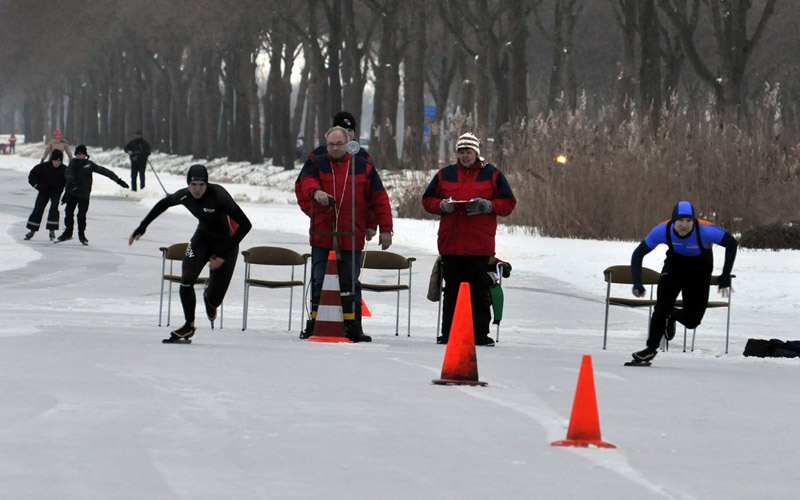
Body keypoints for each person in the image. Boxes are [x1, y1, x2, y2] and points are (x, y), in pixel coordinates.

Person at [129, 164, 252, 342]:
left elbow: (245, 225)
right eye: (193, 185)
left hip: (226, 243)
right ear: (188, 184)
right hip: (201, 239)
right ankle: (189, 325)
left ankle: (209, 298)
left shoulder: (219, 196)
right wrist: (143, 226)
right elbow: (163, 204)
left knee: (215, 300)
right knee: (186, 279)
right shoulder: (185, 195)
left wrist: (223, 255)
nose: (197, 189)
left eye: (201, 185)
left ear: (206, 185)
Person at [295, 126, 393, 342]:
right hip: (323, 233)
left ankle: (353, 325)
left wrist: (384, 228)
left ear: (348, 143)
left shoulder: (363, 166)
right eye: (331, 144)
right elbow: (305, 184)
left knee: (350, 281)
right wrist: (316, 193)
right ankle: (315, 323)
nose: (335, 148)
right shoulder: (316, 163)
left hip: (352, 233)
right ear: (326, 144)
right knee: (319, 279)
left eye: (340, 144)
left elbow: (378, 198)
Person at [422, 132, 517, 347]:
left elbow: (509, 203)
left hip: (479, 244)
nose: (465, 156)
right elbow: (427, 200)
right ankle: (449, 333)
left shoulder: (492, 174)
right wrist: (442, 206)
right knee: (452, 290)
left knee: (479, 290)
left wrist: (489, 205)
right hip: (451, 243)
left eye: (469, 151)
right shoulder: (444, 174)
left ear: (477, 153)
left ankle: (480, 334)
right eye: (461, 152)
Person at [629, 201, 738, 363]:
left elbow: (732, 243)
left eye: (688, 221)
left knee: (692, 321)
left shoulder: (706, 231)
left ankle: (671, 315)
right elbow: (638, 254)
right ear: (672, 221)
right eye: (679, 221)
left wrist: (725, 274)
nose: (684, 225)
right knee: (661, 307)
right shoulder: (661, 230)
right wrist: (637, 282)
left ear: (694, 221)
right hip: (675, 266)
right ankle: (650, 349)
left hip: (700, 268)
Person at [56, 144, 129, 245]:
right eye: (78, 154)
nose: (79, 156)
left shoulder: (89, 164)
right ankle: (68, 232)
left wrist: (118, 180)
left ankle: (81, 234)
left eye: (81, 154)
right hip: (72, 193)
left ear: (85, 155)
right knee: (68, 213)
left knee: (81, 215)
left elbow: (104, 171)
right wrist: (71, 182)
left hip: (84, 194)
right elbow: (68, 173)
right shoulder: (73, 163)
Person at [24, 149, 66, 241]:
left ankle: (52, 230)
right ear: (52, 160)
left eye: (59, 161)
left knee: (54, 209)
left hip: (56, 192)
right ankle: (32, 230)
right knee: (38, 209)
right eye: (55, 160)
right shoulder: (43, 167)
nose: (57, 163)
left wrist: (66, 193)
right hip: (44, 191)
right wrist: (37, 185)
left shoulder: (64, 169)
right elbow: (32, 175)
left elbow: (69, 181)